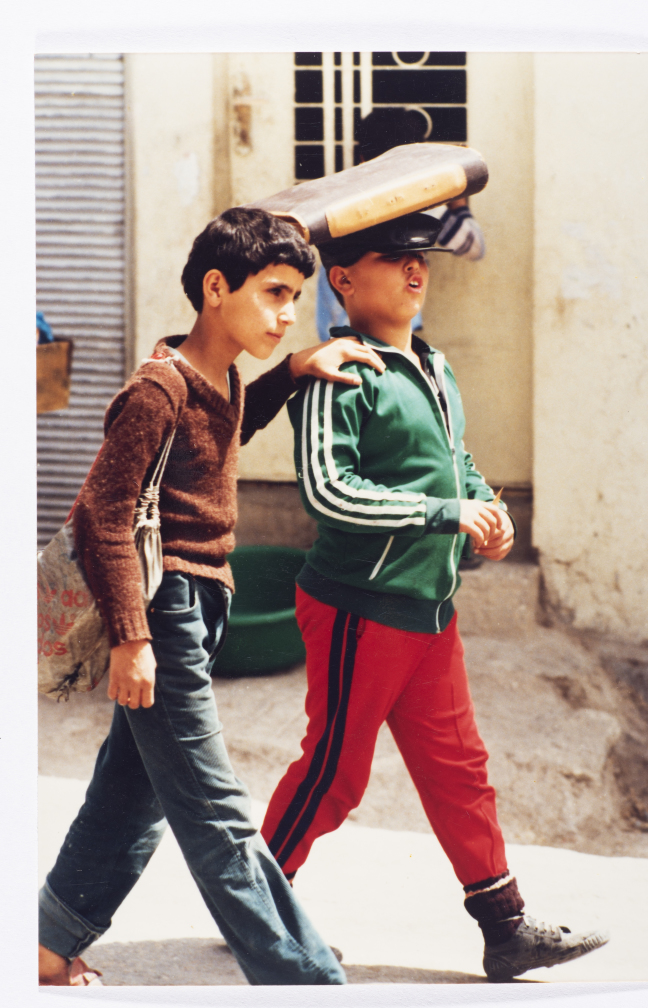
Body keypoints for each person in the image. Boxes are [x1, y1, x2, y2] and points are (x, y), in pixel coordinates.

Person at [37, 207, 387, 987]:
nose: (287, 314)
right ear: (217, 288)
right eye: (274, 294)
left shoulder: (220, 377)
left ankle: (48, 942)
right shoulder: (155, 392)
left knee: (133, 793)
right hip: (164, 611)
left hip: (199, 606)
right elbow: (104, 518)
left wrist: (293, 372)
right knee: (215, 810)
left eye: (294, 296)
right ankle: (304, 979)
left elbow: (222, 435)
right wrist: (132, 638)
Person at [261, 211, 609, 983]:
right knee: (334, 772)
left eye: (421, 258)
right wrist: (443, 512)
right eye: (393, 259)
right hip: (359, 606)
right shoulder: (338, 374)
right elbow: (329, 493)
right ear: (344, 280)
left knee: (460, 768)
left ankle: (506, 928)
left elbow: (456, 461)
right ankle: (252, 907)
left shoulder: (433, 365)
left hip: (429, 607)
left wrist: (486, 509)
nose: (416, 271)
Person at [315, 107, 486, 341]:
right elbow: (474, 246)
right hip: (388, 336)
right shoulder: (419, 204)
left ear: (362, 158)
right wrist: (459, 205)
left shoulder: (340, 201)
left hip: (338, 330)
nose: (413, 263)